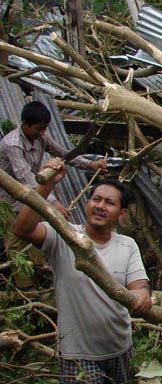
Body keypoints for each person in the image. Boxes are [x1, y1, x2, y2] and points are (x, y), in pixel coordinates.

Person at [12, 158, 152, 383]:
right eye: (96, 199)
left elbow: (139, 286)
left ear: (122, 213)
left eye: (109, 202)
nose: (100, 206)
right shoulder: (64, 235)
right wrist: (45, 186)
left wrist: (142, 297)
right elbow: (22, 229)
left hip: (120, 349)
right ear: (86, 204)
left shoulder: (127, 245)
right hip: (78, 355)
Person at [0, 101, 107, 289]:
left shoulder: (41, 137)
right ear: (25, 124)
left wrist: (90, 164)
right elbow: (26, 178)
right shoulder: (12, 145)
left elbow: (64, 154)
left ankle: (43, 276)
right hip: (9, 200)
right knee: (15, 244)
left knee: (37, 235)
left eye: (45, 128)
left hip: (34, 196)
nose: (42, 132)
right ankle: (27, 289)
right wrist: (53, 202)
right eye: (38, 128)